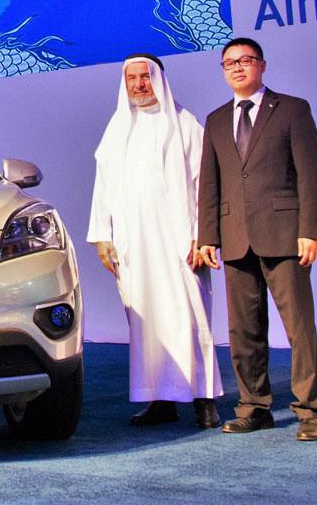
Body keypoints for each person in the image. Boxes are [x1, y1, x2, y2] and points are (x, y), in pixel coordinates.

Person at [197, 37, 317, 441]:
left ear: (262, 65)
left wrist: (311, 230)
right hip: (235, 237)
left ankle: (310, 409)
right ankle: (253, 407)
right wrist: (207, 237)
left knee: (299, 328)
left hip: (285, 235)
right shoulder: (216, 120)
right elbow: (210, 183)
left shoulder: (291, 109)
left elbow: (310, 173)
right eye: (230, 63)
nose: (238, 68)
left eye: (246, 60)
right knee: (243, 332)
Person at [87, 54, 222, 428]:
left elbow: (204, 186)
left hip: (180, 241)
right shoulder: (117, 128)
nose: (138, 85)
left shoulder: (185, 124)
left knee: (191, 317)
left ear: (159, 79)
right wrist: (102, 236)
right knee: (146, 322)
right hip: (133, 243)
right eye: (131, 78)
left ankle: (204, 398)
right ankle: (161, 399)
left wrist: (202, 236)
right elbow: (103, 188)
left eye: (145, 77)